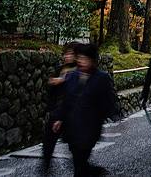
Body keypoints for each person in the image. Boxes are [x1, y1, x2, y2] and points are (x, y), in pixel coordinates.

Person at [52, 44, 115, 177]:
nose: (81, 61)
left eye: (84, 58)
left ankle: (89, 171)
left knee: (80, 164)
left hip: (89, 129)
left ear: (92, 61)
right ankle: (93, 172)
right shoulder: (71, 76)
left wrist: (100, 116)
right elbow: (65, 100)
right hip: (72, 128)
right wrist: (59, 118)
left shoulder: (101, 78)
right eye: (79, 58)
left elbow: (108, 102)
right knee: (78, 162)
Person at [41, 42, 77, 172]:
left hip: (71, 112)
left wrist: (63, 81)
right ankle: (46, 165)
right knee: (49, 140)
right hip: (57, 110)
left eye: (71, 54)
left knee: (74, 143)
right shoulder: (60, 69)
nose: (67, 56)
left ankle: (80, 165)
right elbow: (51, 88)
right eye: (66, 54)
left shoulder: (78, 70)